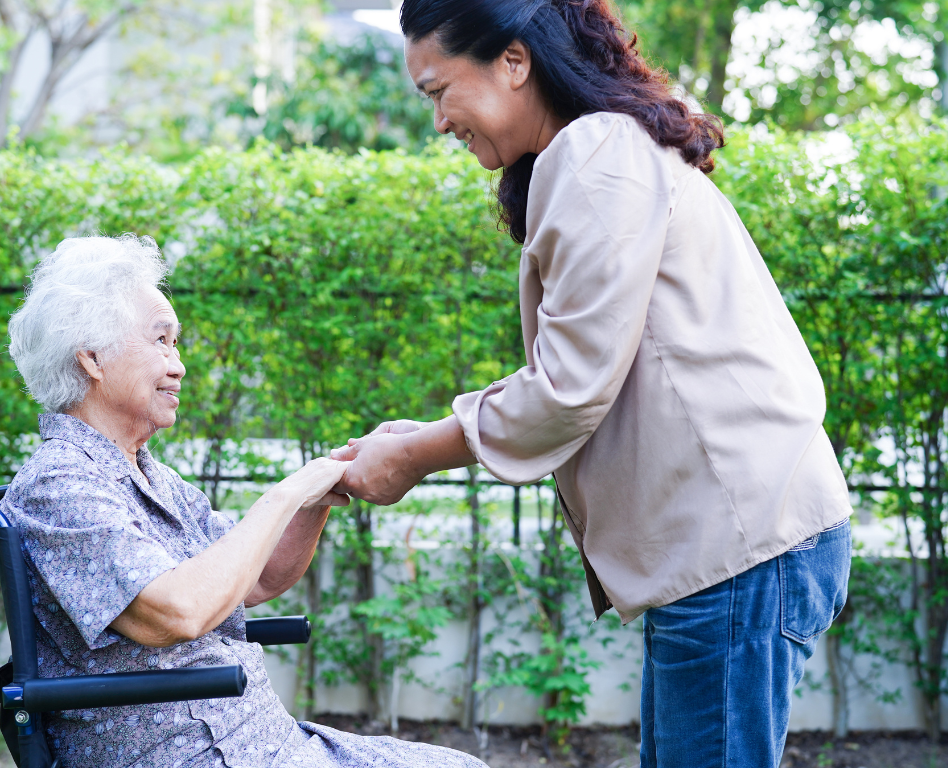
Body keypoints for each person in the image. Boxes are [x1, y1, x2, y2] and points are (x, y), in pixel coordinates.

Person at [331, 2, 852, 766]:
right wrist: (425, 436)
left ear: (514, 61)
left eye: (439, 91)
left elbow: (571, 387)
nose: (440, 120)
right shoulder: (601, 150)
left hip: (739, 544)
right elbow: (584, 365)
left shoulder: (597, 152)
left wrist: (419, 456)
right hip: (734, 544)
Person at [2, 234, 489, 768]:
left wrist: (323, 487)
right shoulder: (59, 485)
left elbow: (254, 580)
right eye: (162, 340)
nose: (179, 364)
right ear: (92, 359)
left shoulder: (146, 474)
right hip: (184, 755)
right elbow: (176, 612)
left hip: (256, 740)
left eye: (177, 343)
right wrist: (289, 490)